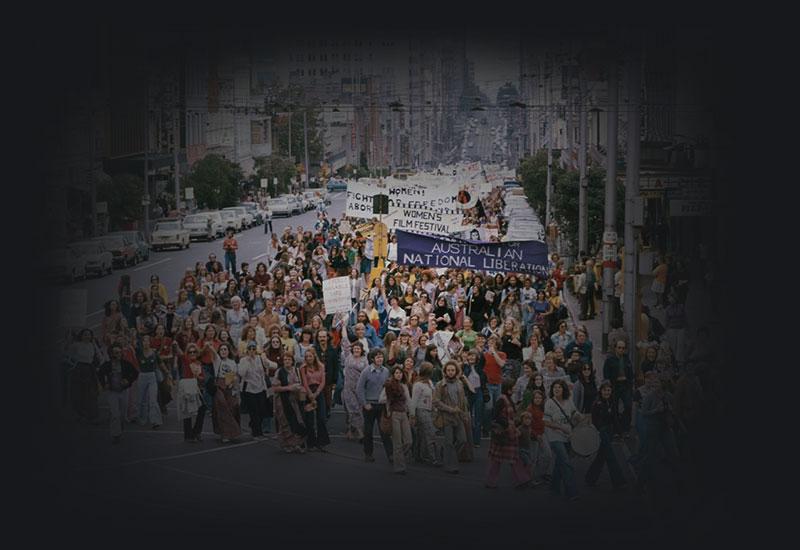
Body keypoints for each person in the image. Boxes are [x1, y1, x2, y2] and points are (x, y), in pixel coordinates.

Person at [485, 378, 532, 489]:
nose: (515, 388)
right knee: (501, 459)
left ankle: (521, 480)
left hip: (509, 432)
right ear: (509, 388)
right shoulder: (502, 400)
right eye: (513, 386)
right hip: (504, 433)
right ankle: (521, 480)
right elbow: (496, 415)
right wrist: (507, 425)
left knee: (507, 458)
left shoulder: (508, 398)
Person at [585, 381, 627, 490]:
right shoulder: (597, 403)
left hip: (610, 430)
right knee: (611, 456)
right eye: (605, 390)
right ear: (601, 391)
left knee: (601, 457)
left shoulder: (612, 401)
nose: (607, 392)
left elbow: (615, 418)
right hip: (601, 431)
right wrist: (600, 432)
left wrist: (620, 432)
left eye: (609, 390)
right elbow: (595, 421)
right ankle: (619, 481)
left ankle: (590, 479)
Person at [544, 379, 580, 500]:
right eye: (554, 388)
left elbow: (575, 414)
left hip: (568, 437)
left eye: (559, 387)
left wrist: (581, 418)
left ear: (563, 389)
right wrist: (561, 427)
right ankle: (571, 492)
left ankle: (554, 487)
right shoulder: (549, 403)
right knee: (565, 462)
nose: (556, 389)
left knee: (560, 462)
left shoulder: (569, 401)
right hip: (555, 437)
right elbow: (546, 422)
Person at [97, 343, 139, 444]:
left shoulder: (125, 364)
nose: (118, 354)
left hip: (124, 391)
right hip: (112, 392)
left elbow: (135, 373)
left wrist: (128, 380)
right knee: (115, 414)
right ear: (111, 353)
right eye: (116, 352)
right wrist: (104, 384)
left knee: (122, 414)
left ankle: (119, 427)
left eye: (120, 352)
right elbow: (99, 373)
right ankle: (115, 434)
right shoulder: (107, 365)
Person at [357, 349, 393, 463]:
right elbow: (359, 389)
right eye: (377, 357)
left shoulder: (386, 371)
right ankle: (368, 454)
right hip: (370, 404)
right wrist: (364, 403)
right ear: (372, 359)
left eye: (381, 357)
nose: (380, 359)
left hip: (382, 405)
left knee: (384, 431)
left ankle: (391, 454)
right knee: (368, 431)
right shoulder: (366, 371)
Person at [433, 361, 469, 474]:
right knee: (449, 442)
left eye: (453, 370)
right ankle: (450, 466)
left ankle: (447, 453)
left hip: (458, 416)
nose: (450, 372)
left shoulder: (459, 383)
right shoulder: (440, 384)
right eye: (448, 370)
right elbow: (436, 401)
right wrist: (450, 409)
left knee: (462, 440)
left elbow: (463, 400)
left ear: (456, 371)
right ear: (445, 371)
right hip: (447, 416)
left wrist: (465, 414)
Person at [272, 354, 308, 453]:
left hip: (295, 400)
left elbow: (300, 384)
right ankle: (287, 444)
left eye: (289, 359)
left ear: (292, 361)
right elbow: (275, 388)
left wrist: (301, 389)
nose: (287, 361)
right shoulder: (279, 372)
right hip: (282, 401)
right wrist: (289, 388)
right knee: (285, 422)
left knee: (298, 421)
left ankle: (297, 444)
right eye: (285, 359)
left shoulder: (296, 371)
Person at [208, 342, 242, 443]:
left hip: (229, 384)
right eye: (221, 349)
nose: (223, 351)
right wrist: (210, 346)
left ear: (228, 351)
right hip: (219, 385)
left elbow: (233, 376)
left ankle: (230, 432)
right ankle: (226, 433)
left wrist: (232, 386)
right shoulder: (217, 360)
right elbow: (213, 352)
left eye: (225, 349)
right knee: (222, 406)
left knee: (231, 407)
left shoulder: (232, 362)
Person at [67, 328, 103, 424]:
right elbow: (67, 356)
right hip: (78, 370)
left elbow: (100, 357)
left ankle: (92, 416)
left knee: (91, 393)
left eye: (89, 334)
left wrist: (97, 366)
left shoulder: (92, 345)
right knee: (78, 393)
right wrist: (72, 366)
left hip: (89, 370)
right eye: (85, 334)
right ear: (81, 336)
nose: (87, 336)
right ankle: (80, 414)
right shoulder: (75, 345)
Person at [383, 366, 413, 474]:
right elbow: (381, 398)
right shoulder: (389, 385)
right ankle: (399, 467)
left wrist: (412, 413)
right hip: (394, 413)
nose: (398, 375)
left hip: (404, 413)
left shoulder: (404, 386)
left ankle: (398, 457)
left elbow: (409, 400)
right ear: (393, 374)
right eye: (396, 373)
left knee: (408, 441)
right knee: (397, 442)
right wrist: (390, 400)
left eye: (400, 373)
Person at [409, 362, 440, 466]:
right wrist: (412, 415)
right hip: (421, 410)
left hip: (429, 410)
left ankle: (419, 456)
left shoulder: (429, 382)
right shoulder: (418, 385)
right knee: (430, 433)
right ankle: (433, 458)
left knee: (421, 435)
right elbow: (413, 401)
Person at [299, 348, 331, 451]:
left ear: (314, 357)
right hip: (308, 391)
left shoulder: (321, 366)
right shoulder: (303, 368)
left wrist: (316, 394)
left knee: (321, 418)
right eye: (306, 356)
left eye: (310, 356)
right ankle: (311, 442)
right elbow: (304, 382)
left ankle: (321, 442)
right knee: (309, 420)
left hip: (319, 391)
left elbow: (322, 382)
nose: (308, 358)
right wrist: (310, 395)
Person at [237, 342, 270, 439]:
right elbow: (241, 373)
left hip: (260, 387)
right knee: (254, 411)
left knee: (261, 410)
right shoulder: (243, 360)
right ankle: (257, 432)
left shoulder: (259, 359)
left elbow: (269, 366)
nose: (252, 351)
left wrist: (265, 359)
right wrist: (248, 361)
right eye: (250, 349)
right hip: (249, 389)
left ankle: (255, 426)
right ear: (247, 350)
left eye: (254, 349)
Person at [603, 339, 634, 437]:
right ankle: (616, 430)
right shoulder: (609, 360)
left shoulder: (626, 359)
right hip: (615, 386)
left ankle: (625, 428)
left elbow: (630, 373)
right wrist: (608, 386)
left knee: (628, 406)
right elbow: (606, 374)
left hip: (625, 386)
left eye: (623, 348)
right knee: (614, 407)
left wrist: (630, 383)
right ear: (615, 348)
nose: (621, 350)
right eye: (619, 348)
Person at [135, 334, 163, 430]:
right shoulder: (138, 352)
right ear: (142, 342)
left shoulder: (154, 353)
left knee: (153, 399)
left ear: (150, 342)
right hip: (142, 375)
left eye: (148, 341)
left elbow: (160, 363)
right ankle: (142, 418)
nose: (146, 343)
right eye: (144, 341)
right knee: (141, 399)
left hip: (152, 376)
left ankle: (155, 421)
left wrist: (168, 373)